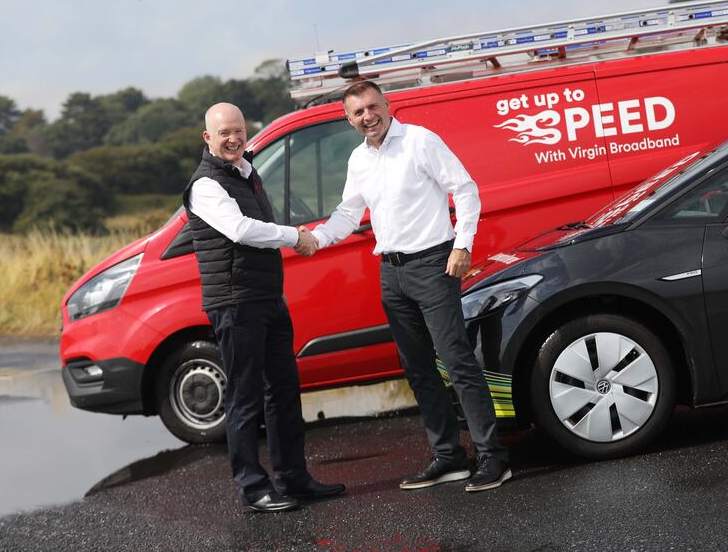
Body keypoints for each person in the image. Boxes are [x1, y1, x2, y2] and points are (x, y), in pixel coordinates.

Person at [305, 81, 511, 492]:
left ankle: (493, 456)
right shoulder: (359, 159)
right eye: (358, 112)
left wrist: (463, 244)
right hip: (392, 272)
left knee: (457, 362)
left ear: (387, 105)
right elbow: (348, 213)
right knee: (417, 369)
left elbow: (465, 189)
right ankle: (449, 457)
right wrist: (315, 238)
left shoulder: (419, 140)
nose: (368, 116)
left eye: (372, 106)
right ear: (348, 119)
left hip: (434, 264)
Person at [182, 102, 344, 513]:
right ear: (207, 138)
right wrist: (295, 236)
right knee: (245, 396)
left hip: (267, 297)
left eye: (238, 130)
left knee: (283, 390)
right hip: (235, 303)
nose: (233, 138)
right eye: (224, 133)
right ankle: (253, 488)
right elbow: (241, 230)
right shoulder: (205, 185)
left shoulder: (246, 173)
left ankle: (293, 477)